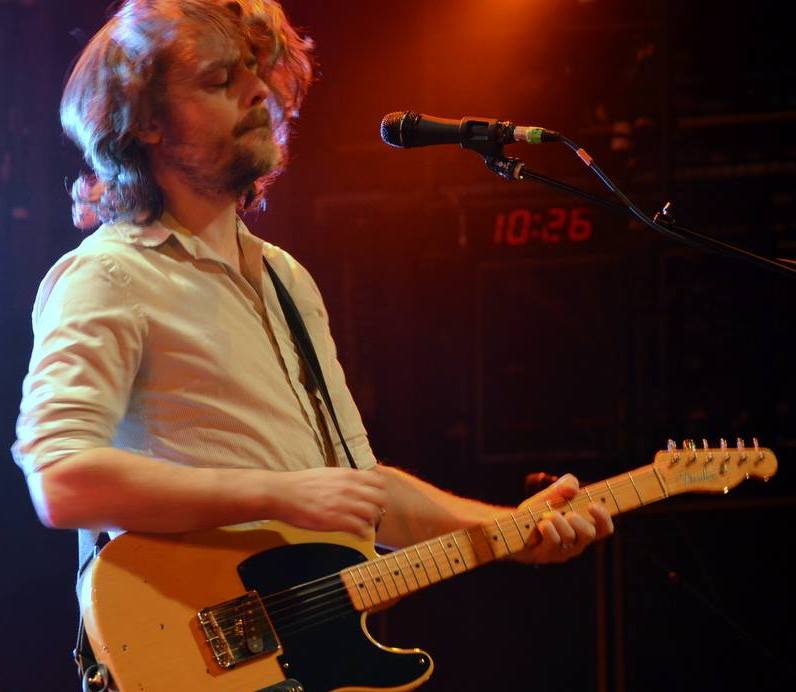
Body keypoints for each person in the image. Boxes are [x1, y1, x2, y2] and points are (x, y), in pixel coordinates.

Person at [14, 0, 611, 621]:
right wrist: (279, 493)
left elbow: (357, 490)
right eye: (220, 81)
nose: (256, 93)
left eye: (255, 73)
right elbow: (62, 478)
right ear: (145, 123)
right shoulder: (108, 274)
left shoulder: (285, 278)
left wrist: (513, 531)